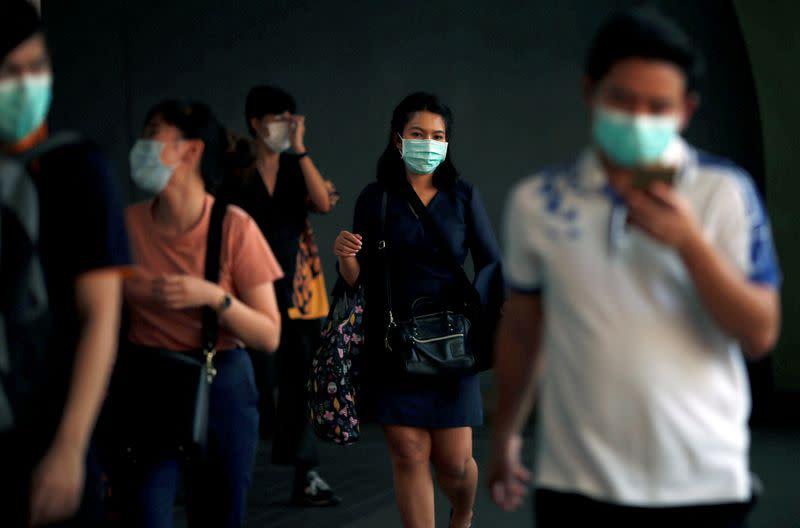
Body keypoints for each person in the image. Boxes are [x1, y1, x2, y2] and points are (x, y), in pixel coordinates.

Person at [488, 8, 782, 528]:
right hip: (577, 483)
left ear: (686, 110)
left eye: (658, 106)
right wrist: (505, 434)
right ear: (590, 92)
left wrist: (690, 244)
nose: (639, 119)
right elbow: (522, 331)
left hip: (703, 483)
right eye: (623, 100)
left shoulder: (724, 191)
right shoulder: (538, 202)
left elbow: (760, 333)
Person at [336, 92, 504, 528]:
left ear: (448, 143)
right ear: (398, 139)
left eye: (438, 135)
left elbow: (491, 262)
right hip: (394, 342)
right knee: (409, 454)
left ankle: (462, 513)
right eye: (417, 133)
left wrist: (478, 321)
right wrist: (345, 258)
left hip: (452, 343)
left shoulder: (463, 195)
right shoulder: (376, 198)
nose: (428, 142)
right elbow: (360, 282)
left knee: (454, 463)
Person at [112, 100, 282, 526]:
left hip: (220, 383)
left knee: (218, 515)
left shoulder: (233, 226)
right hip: (146, 385)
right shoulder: (126, 225)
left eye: (154, 133)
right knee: (143, 513)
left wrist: (213, 297)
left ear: (190, 150)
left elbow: (268, 335)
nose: (141, 145)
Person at [0, 1, 131, 526]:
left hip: (46, 436)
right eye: (11, 71)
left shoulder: (76, 167)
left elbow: (101, 316)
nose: (29, 83)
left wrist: (70, 447)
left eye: (38, 67)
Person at [219, 85, 341, 506]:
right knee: (253, 377)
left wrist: (302, 148)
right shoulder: (236, 169)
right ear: (256, 122)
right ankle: (229, 463)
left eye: (292, 118)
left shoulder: (295, 167)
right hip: (248, 289)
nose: (286, 126)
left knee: (300, 379)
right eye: (278, 119)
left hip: (297, 291)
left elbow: (324, 203)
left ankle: (306, 473)